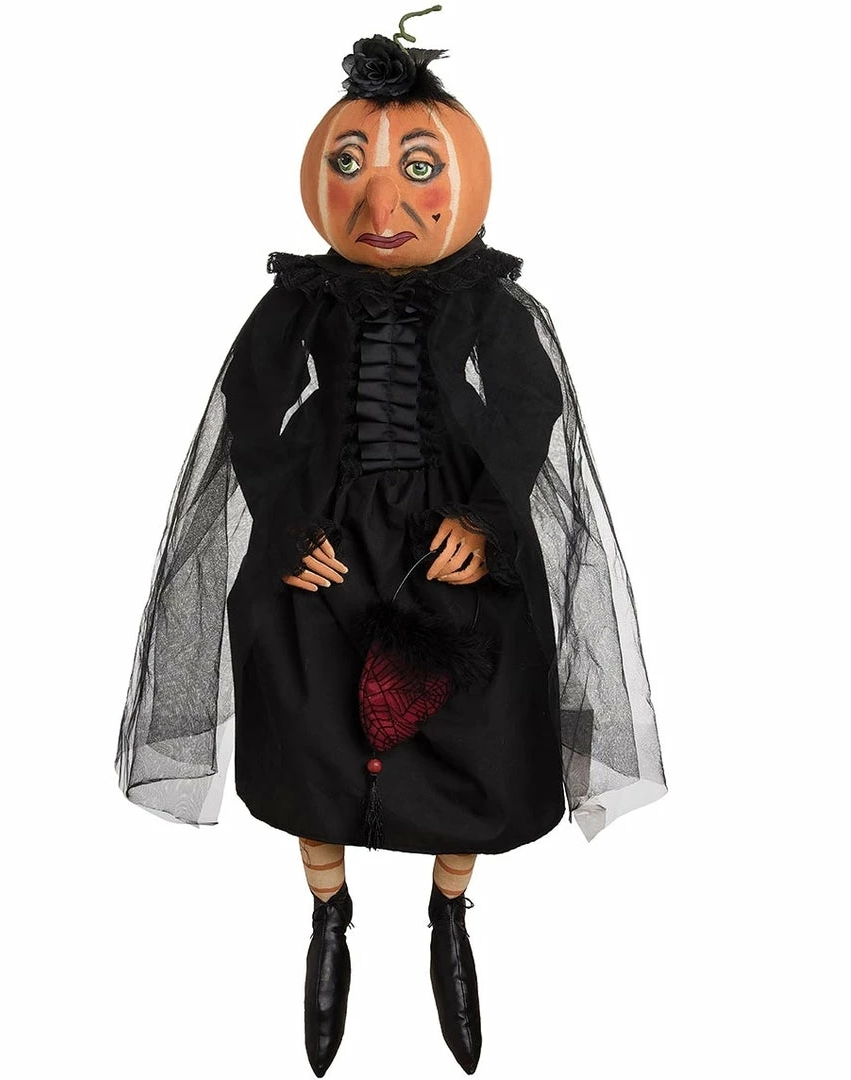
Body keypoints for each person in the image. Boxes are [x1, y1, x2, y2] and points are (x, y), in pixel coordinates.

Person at [115, 14, 667, 1077]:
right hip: (324, 547)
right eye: (352, 167)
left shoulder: (491, 304)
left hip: (453, 555)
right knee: (311, 721)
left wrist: (488, 519)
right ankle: (328, 917)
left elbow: (530, 413)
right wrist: (287, 523)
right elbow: (251, 415)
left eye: (420, 169)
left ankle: (450, 914)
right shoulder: (299, 302)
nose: (384, 207)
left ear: (460, 176)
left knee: (471, 732)